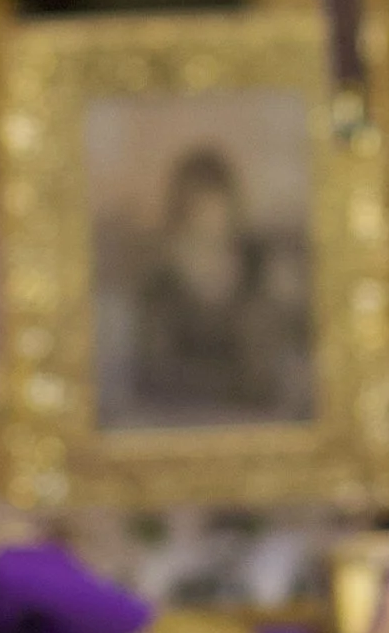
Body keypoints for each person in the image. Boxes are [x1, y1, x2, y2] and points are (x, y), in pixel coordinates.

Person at [126, 143, 311, 424]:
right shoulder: (159, 285)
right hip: (187, 421)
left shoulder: (259, 263)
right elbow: (151, 374)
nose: (212, 220)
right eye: (200, 208)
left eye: (219, 206)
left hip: (263, 417)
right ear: (182, 211)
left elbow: (298, 338)